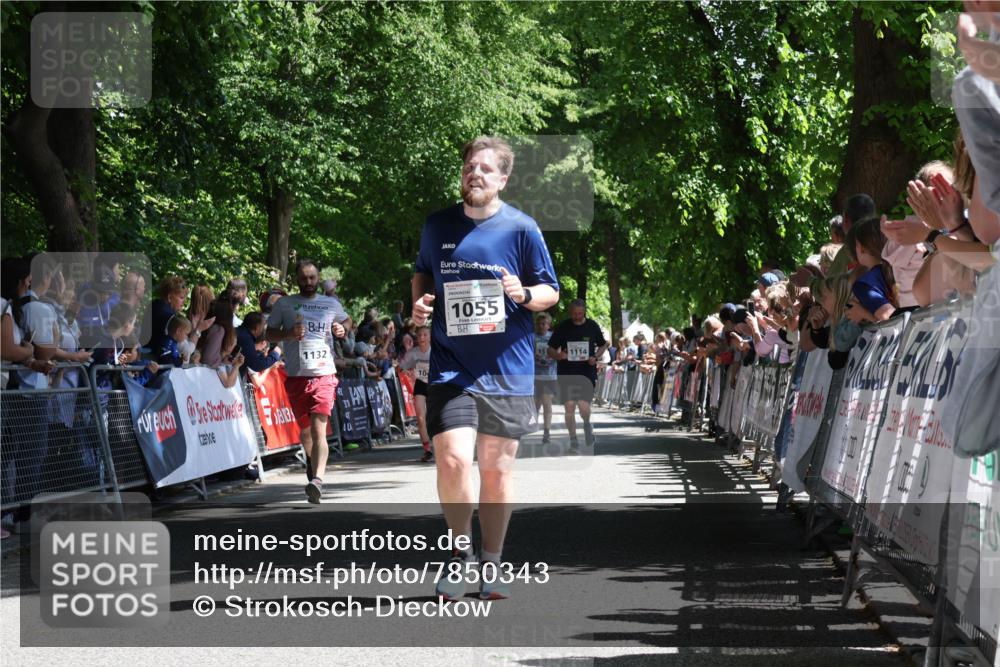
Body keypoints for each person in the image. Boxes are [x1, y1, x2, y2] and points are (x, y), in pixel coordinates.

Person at [411, 135, 559, 600]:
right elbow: (421, 272)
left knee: (495, 470)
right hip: (452, 368)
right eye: (469, 167)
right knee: (453, 459)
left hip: (506, 369)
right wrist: (417, 304)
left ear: (503, 179)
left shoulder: (522, 229)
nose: (474, 174)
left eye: (485, 169)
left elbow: (550, 290)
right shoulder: (437, 225)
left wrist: (524, 295)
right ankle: (460, 557)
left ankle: (492, 561)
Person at [266, 259, 349, 504]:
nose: (309, 282)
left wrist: (342, 329)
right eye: (304, 278)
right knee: (305, 434)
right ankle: (313, 468)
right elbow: (269, 333)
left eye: (313, 277)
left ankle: (318, 481)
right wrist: (288, 334)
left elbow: (347, 321)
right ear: (297, 279)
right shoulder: (285, 304)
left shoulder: (330, 303)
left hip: (324, 374)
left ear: (318, 277)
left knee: (318, 428)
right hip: (296, 377)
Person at [548, 299, 609, 449]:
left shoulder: (592, 326)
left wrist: (595, 357)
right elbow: (550, 349)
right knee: (569, 406)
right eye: (574, 314)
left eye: (580, 314)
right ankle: (573, 440)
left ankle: (587, 424)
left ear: (584, 312)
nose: (577, 316)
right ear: (570, 312)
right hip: (566, 372)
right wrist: (559, 355)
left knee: (583, 406)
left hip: (586, 372)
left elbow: (604, 344)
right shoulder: (563, 327)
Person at [399, 326, 433, 461]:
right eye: (419, 335)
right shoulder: (413, 353)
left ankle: (441, 444)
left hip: (436, 385)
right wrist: (402, 370)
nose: (422, 338)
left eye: (425, 335)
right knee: (420, 417)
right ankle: (427, 450)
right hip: (421, 384)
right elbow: (401, 367)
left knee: (435, 416)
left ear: (430, 337)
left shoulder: (436, 352)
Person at [533, 313, 557, 444]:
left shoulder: (553, 337)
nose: (542, 326)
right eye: (539, 323)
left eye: (544, 323)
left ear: (549, 325)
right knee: (536, 404)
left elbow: (558, 352)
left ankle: (547, 431)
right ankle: (534, 426)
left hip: (549, 375)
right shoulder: (532, 337)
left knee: (547, 403)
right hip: (535, 375)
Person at [236, 311, 281, 377]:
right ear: (257, 327)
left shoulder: (242, 332)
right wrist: (275, 354)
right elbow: (257, 365)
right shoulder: (246, 338)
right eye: (263, 327)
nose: (263, 330)